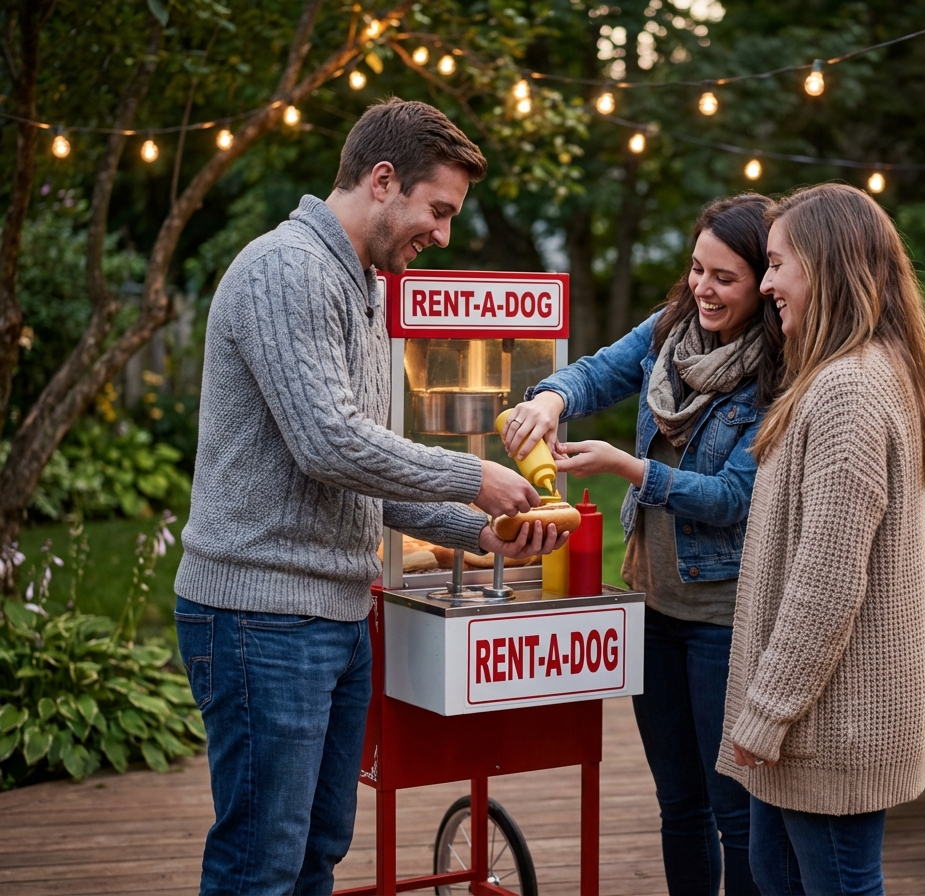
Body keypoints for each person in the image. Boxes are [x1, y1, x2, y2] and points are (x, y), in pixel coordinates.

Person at [174, 98, 566, 895]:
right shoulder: (287, 269)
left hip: (333, 616)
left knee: (316, 853)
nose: (443, 234)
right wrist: (477, 478)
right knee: (261, 866)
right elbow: (331, 444)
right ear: (383, 180)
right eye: (438, 210)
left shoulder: (360, 285)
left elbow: (361, 474)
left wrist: (476, 532)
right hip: (263, 618)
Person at [502, 195, 784, 896]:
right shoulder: (670, 333)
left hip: (724, 615)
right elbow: (598, 370)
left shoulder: (776, 374)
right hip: (653, 607)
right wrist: (550, 400)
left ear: (761, 284)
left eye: (725, 278)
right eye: (696, 269)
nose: (703, 288)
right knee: (677, 804)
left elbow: (731, 499)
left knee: (734, 811)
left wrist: (629, 468)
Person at [717, 183, 925, 895]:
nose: (766, 284)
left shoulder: (849, 389)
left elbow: (826, 584)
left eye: (778, 263)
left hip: (831, 728)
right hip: (809, 726)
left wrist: (764, 714)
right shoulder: (836, 376)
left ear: (824, 267)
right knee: (773, 873)